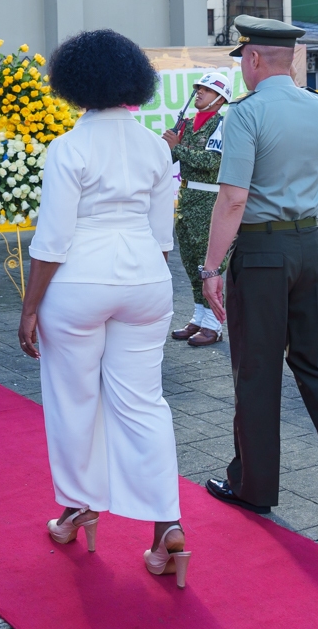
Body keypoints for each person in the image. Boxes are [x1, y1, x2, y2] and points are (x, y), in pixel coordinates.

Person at [198, 15, 318, 521]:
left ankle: (253, 486)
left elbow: (234, 198)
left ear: (255, 58)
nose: (242, 67)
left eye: (242, 58)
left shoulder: (244, 114)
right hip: (311, 245)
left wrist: (211, 267)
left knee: (257, 372)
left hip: (262, 254)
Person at [18, 30, 190, 588]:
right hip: (146, 277)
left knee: (73, 401)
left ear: (75, 85)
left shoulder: (69, 146)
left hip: (78, 283)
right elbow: (163, 237)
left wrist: (29, 309)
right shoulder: (155, 146)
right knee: (144, 403)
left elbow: (50, 241)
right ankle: (167, 526)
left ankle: (77, 509)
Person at [162, 69, 232, 346]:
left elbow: (213, 161)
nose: (199, 92)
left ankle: (214, 324)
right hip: (188, 198)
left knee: (208, 265)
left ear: (220, 98)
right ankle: (199, 316)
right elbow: (173, 160)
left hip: (209, 200)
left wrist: (178, 148)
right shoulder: (188, 124)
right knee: (192, 263)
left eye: (206, 89)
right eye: (199, 89)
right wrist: (167, 147)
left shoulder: (222, 125)